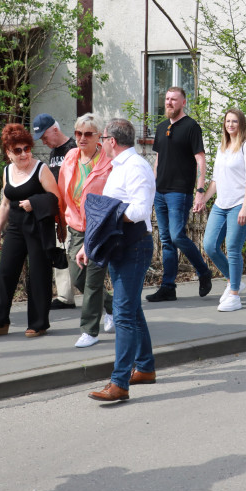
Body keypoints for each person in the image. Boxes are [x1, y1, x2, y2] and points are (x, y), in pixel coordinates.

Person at [85, 119, 157, 402]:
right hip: (120, 244)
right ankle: (146, 368)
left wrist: (109, 215)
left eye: (102, 138)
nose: (100, 143)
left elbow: (140, 210)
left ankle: (119, 383)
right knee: (131, 310)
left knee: (124, 313)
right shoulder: (119, 166)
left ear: (112, 141)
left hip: (134, 246)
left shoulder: (136, 166)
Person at [0, 123, 61, 339]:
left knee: (38, 275)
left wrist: (34, 202)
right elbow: (5, 203)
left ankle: (38, 323)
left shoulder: (41, 169)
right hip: (16, 228)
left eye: (27, 148)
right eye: (18, 150)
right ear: (8, 153)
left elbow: (56, 199)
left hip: (38, 228)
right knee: (6, 273)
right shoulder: (7, 171)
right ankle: (0, 321)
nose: (24, 153)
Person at [147, 86, 212, 302]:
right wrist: (152, 186)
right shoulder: (161, 127)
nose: (169, 102)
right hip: (160, 191)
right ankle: (168, 287)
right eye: (166, 99)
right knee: (166, 241)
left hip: (179, 192)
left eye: (174, 99)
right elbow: (158, 160)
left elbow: (200, 160)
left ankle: (203, 271)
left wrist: (200, 191)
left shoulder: (192, 127)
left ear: (183, 102)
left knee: (176, 236)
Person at [55, 114, 114, 347]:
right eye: (78, 133)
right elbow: (62, 191)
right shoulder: (70, 157)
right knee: (77, 276)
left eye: (88, 134)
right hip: (77, 227)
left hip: (99, 227)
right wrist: (60, 221)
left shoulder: (108, 161)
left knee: (92, 280)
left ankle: (90, 330)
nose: (81, 138)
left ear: (99, 136)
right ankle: (111, 307)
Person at [195, 108, 246, 312]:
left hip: (241, 203)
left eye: (234, 121)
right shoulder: (223, 146)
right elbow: (216, 180)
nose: (230, 124)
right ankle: (234, 279)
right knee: (210, 245)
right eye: (227, 121)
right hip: (221, 204)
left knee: (232, 248)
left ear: (241, 124)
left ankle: (234, 295)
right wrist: (203, 199)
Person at [32, 113, 78, 309]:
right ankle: (64, 296)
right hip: (58, 211)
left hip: (73, 211)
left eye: (44, 137)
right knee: (61, 251)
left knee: (75, 253)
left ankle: (94, 291)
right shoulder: (53, 154)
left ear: (55, 130)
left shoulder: (74, 148)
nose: (44, 142)